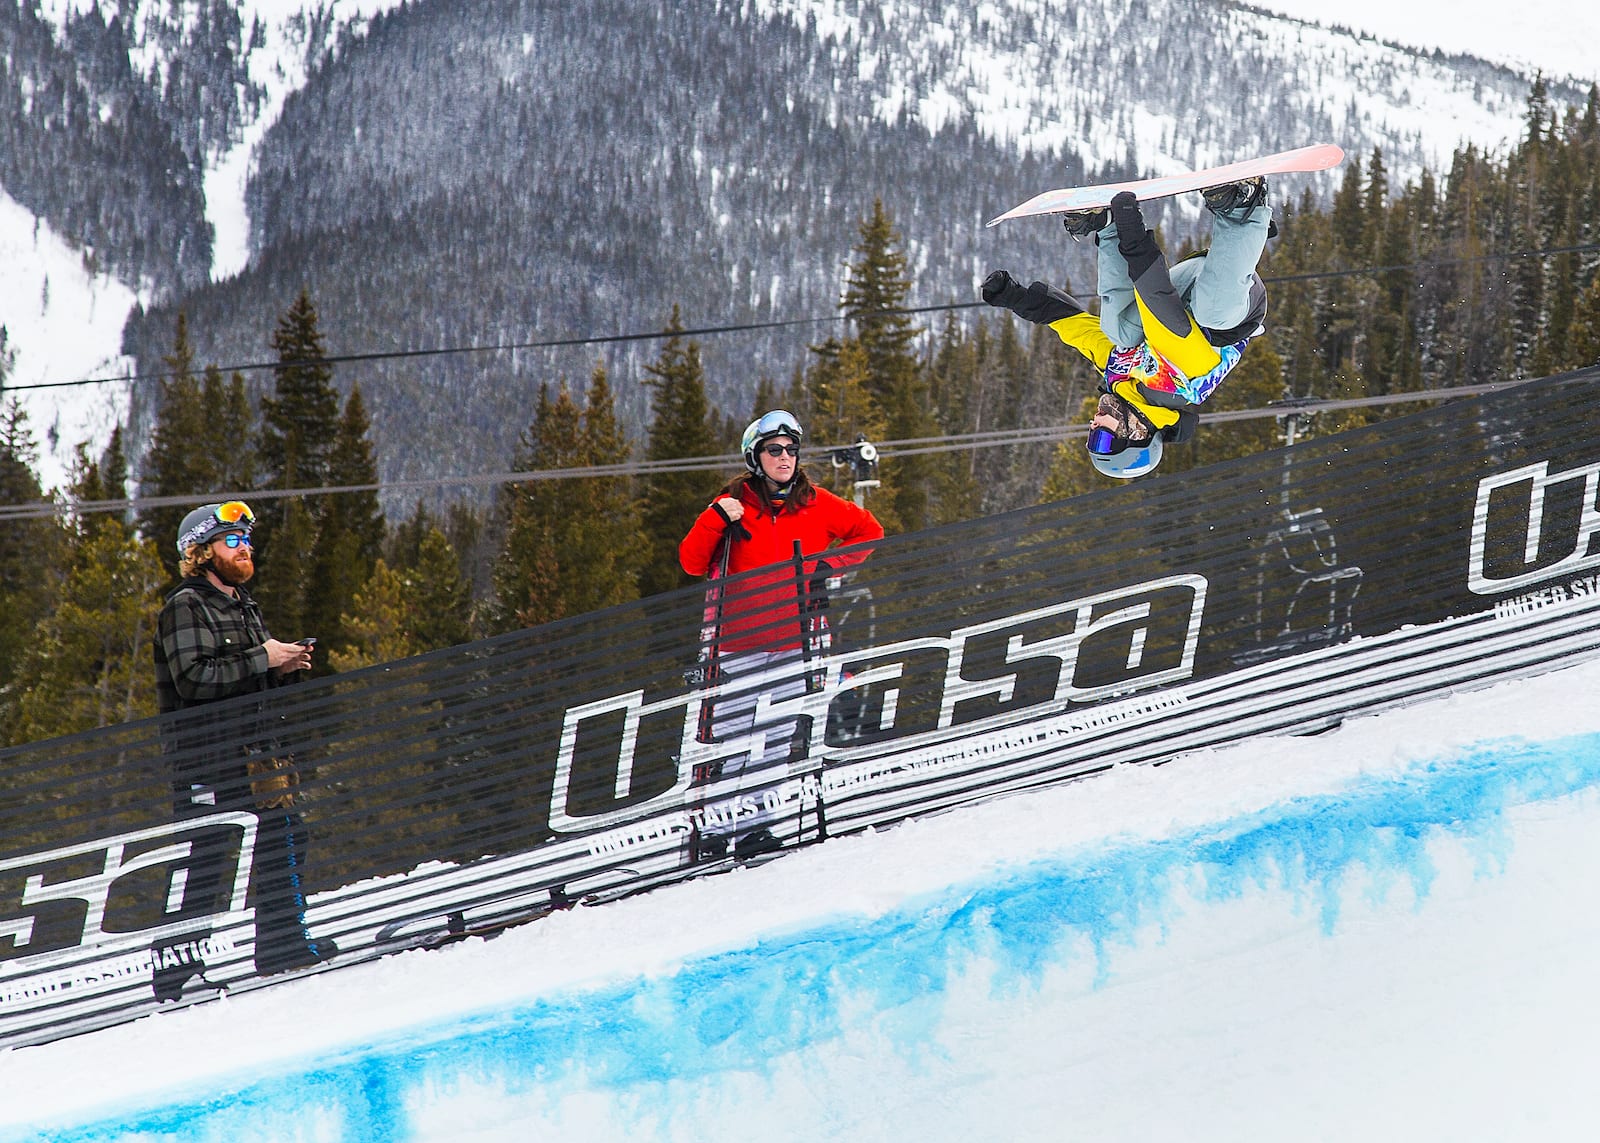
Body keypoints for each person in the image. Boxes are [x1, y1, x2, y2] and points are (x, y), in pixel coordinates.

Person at [679, 410, 884, 860]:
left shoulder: (817, 502)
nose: (785, 457)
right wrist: (716, 518)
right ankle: (715, 830)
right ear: (756, 456)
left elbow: (869, 531)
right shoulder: (732, 504)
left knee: (774, 741)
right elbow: (692, 562)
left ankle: (756, 828)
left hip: (796, 641)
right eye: (775, 450)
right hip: (735, 644)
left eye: (791, 449)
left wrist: (824, 568)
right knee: (731, 741)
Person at [150, 500, 332, 1000]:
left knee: (284, 836)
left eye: (246, 539)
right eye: (232, 540)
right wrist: (262, 657)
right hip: (207, 762)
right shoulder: (186, 605)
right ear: (201, 553)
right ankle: (173, 975)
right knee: (208, 858)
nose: (244, 547)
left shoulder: (241, 603)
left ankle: (282, 944)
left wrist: (281, 667)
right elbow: (193, 679)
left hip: (254, 756)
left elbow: (245, 677)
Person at [982, 177, 1273, 478]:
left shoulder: (1121, 375)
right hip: (1233, 299)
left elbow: (1075, 329)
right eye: (1103, 439)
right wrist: (1133, 236)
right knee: (1213, 313)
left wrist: (1014, 297)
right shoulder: (1179, 386)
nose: (1094, 425)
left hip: (1181, 286)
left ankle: (1104, 223)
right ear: (1137, 433)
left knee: (1119, 331)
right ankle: (1243, 206)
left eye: (1091, 437)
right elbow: (1160, 311)